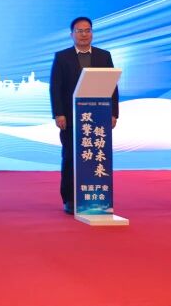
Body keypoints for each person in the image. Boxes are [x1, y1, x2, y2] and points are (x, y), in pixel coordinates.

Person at [49, 16, 119, 214]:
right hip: (71, 118)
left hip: (98, 118)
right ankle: (69, 199)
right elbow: (55, 87)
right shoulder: (62, 57)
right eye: (79, 31)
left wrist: (113, 113)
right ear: (72, 34)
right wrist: (59, 114)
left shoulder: (104, 56)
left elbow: (112, 86)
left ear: (92, 33)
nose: (84, 34)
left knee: (97, 158)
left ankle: (97, 198)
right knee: (70, 158)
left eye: (88, 30)